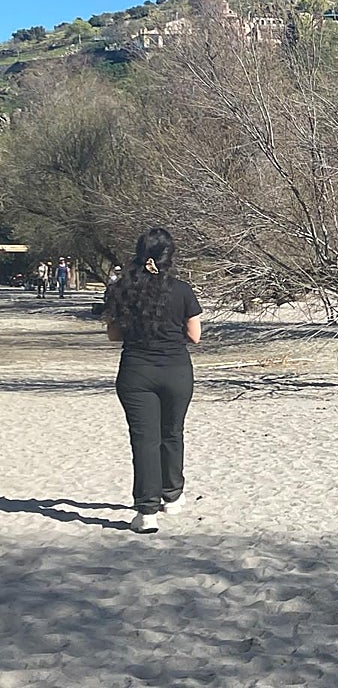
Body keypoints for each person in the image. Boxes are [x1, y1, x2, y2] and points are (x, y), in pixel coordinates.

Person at [104, 228, 202, 534]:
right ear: (169, 257)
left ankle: (146, 511)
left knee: (144, 440)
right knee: (172, 432)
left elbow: (113, 335)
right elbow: (195, 336)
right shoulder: (182, 290)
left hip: (136, 371)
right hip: (175, 370)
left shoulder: (121, 289)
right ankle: (172, 495)